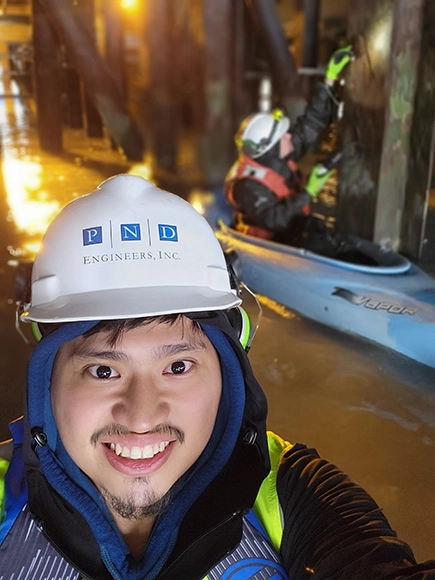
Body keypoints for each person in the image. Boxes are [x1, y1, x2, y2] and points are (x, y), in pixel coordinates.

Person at [1, 174, 434, 580]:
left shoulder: (294, 492)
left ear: (229, 370)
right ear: (49, 377)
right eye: (102, 370)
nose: (141, 417)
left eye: (178, 367)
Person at [225, 45, 353, 247]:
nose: (288, 136)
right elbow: (275, 220)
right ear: (270, 148)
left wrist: (329, 80)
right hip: (266, 247)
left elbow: (311, 124)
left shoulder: (279, 153)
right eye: (281, 136)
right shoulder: (246, 187)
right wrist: (309, 191)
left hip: (291, 231)